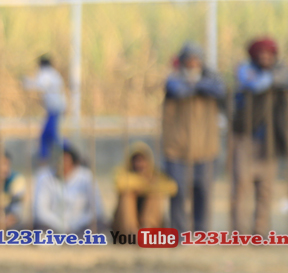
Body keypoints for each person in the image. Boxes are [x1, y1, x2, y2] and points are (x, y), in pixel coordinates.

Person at [161, 42, 225, 233]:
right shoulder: (173, 79)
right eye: (189, 59)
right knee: (178, 192)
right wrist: (195, 84)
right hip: (177, 148)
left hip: (205, 148)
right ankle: (179, 233)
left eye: (196, 59)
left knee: (203, 192)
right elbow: (178, 90)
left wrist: (197, 83)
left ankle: (201, 232)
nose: (193, 63)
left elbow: (219, 89)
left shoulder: (211, 80)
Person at [230, 38, 288, 235]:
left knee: (265, 190)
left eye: (268, 54)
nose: (265, 57)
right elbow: (255, 85)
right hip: (245, 139)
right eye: (261, 54)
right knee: (241, 188)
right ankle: (239, 232)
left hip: (270, 142)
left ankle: (260, 232)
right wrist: (273, 78)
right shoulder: (245, 70)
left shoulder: (279, 72)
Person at [32, 142, 106, 234]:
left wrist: (75, 224)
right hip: (53, 226)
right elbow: (41, 211)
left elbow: (97, 210)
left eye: (64, 160)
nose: (60, 163)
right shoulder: (44, 177)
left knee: (100, 224)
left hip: (81, 225)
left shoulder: (86, 177)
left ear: (73, 162)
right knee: (36, 226)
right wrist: (62, 225)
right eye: (57, 159)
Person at [112, 141, 178, 235]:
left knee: (155, 196)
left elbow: (172, 187)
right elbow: (119, 184)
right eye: (136, 161)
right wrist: (145, 184)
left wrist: (147, 187)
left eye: (142, 161)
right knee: (127, 195)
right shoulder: (124, 172)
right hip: (123, 228)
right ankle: (132, 231)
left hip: (149, 225)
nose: (139, 164)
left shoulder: (155, 174)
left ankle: (146, 229)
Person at [24, 55, 67, 160]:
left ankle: (69, 152)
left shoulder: (46, 73)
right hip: (55, 108)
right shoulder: (53, 73)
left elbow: (39, 85)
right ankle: (45, 158)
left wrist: (26, 82)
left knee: (51, 135)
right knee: (46, 136)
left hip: (55, 109)